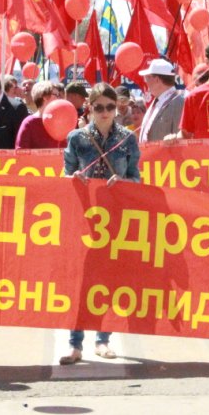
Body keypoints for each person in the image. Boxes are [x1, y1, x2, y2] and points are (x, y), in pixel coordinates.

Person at [60, 83, 141, 364]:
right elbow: (64, 175)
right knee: (80, 281)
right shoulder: (77, 138)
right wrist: (73, 178)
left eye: (110, 107)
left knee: (108, 280)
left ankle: (103, 339)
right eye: (99, 107)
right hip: (84, 218)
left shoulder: (127, 140)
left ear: (117, 108)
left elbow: (137, 179)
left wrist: (124, 183)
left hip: (115, 219)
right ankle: (75, 343)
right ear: (90, 108)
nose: (106, 112)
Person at [137, 59, 184, 143]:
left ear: (157, 80)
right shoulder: (157, 101)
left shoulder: (179, 102)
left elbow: (180, 140)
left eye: (147, 77)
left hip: (166, 155)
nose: (145, 81)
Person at [15, 81, 68, 149]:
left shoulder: (60, 122)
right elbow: (21, 151)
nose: (58, 98)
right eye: (56, 95)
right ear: (45, 97)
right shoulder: (29, 123)